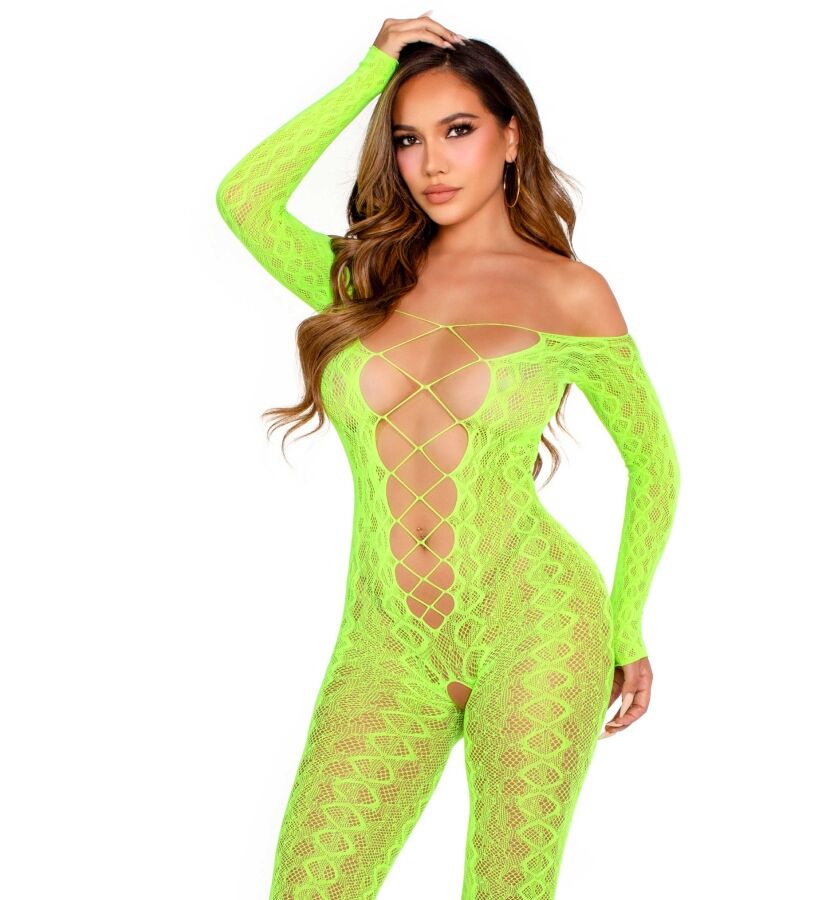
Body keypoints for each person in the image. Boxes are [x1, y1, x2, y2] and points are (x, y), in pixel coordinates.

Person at [216, 14, 680, 899]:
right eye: (407, 139)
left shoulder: (570, 293)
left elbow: (653, 464)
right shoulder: (366, 279)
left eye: (458, 130)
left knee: (507, 889)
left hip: (539, 625)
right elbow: (245, 201)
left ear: (512, 137)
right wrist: (370, 71)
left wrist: (626, 626)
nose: (431, 163)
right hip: (386, 643)